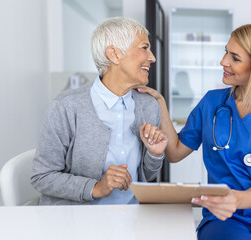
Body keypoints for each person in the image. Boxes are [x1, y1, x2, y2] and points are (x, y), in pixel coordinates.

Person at [139, 22, 251, 239]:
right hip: (223, 216)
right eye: (225, 52)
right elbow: (176, 152)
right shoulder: (212, 103)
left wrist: (234, 199)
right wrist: (160, 103)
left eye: (235, 58)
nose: (223, 62)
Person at [31, 17, 168, 205]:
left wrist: (155, 154)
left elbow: (146, 176)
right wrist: (96, 187)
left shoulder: (149, 106)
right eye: (144, 48)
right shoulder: (66, 107)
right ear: (114, 54)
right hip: (77, 224)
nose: (152, 57)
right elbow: (42, 177)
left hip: (131, 217)